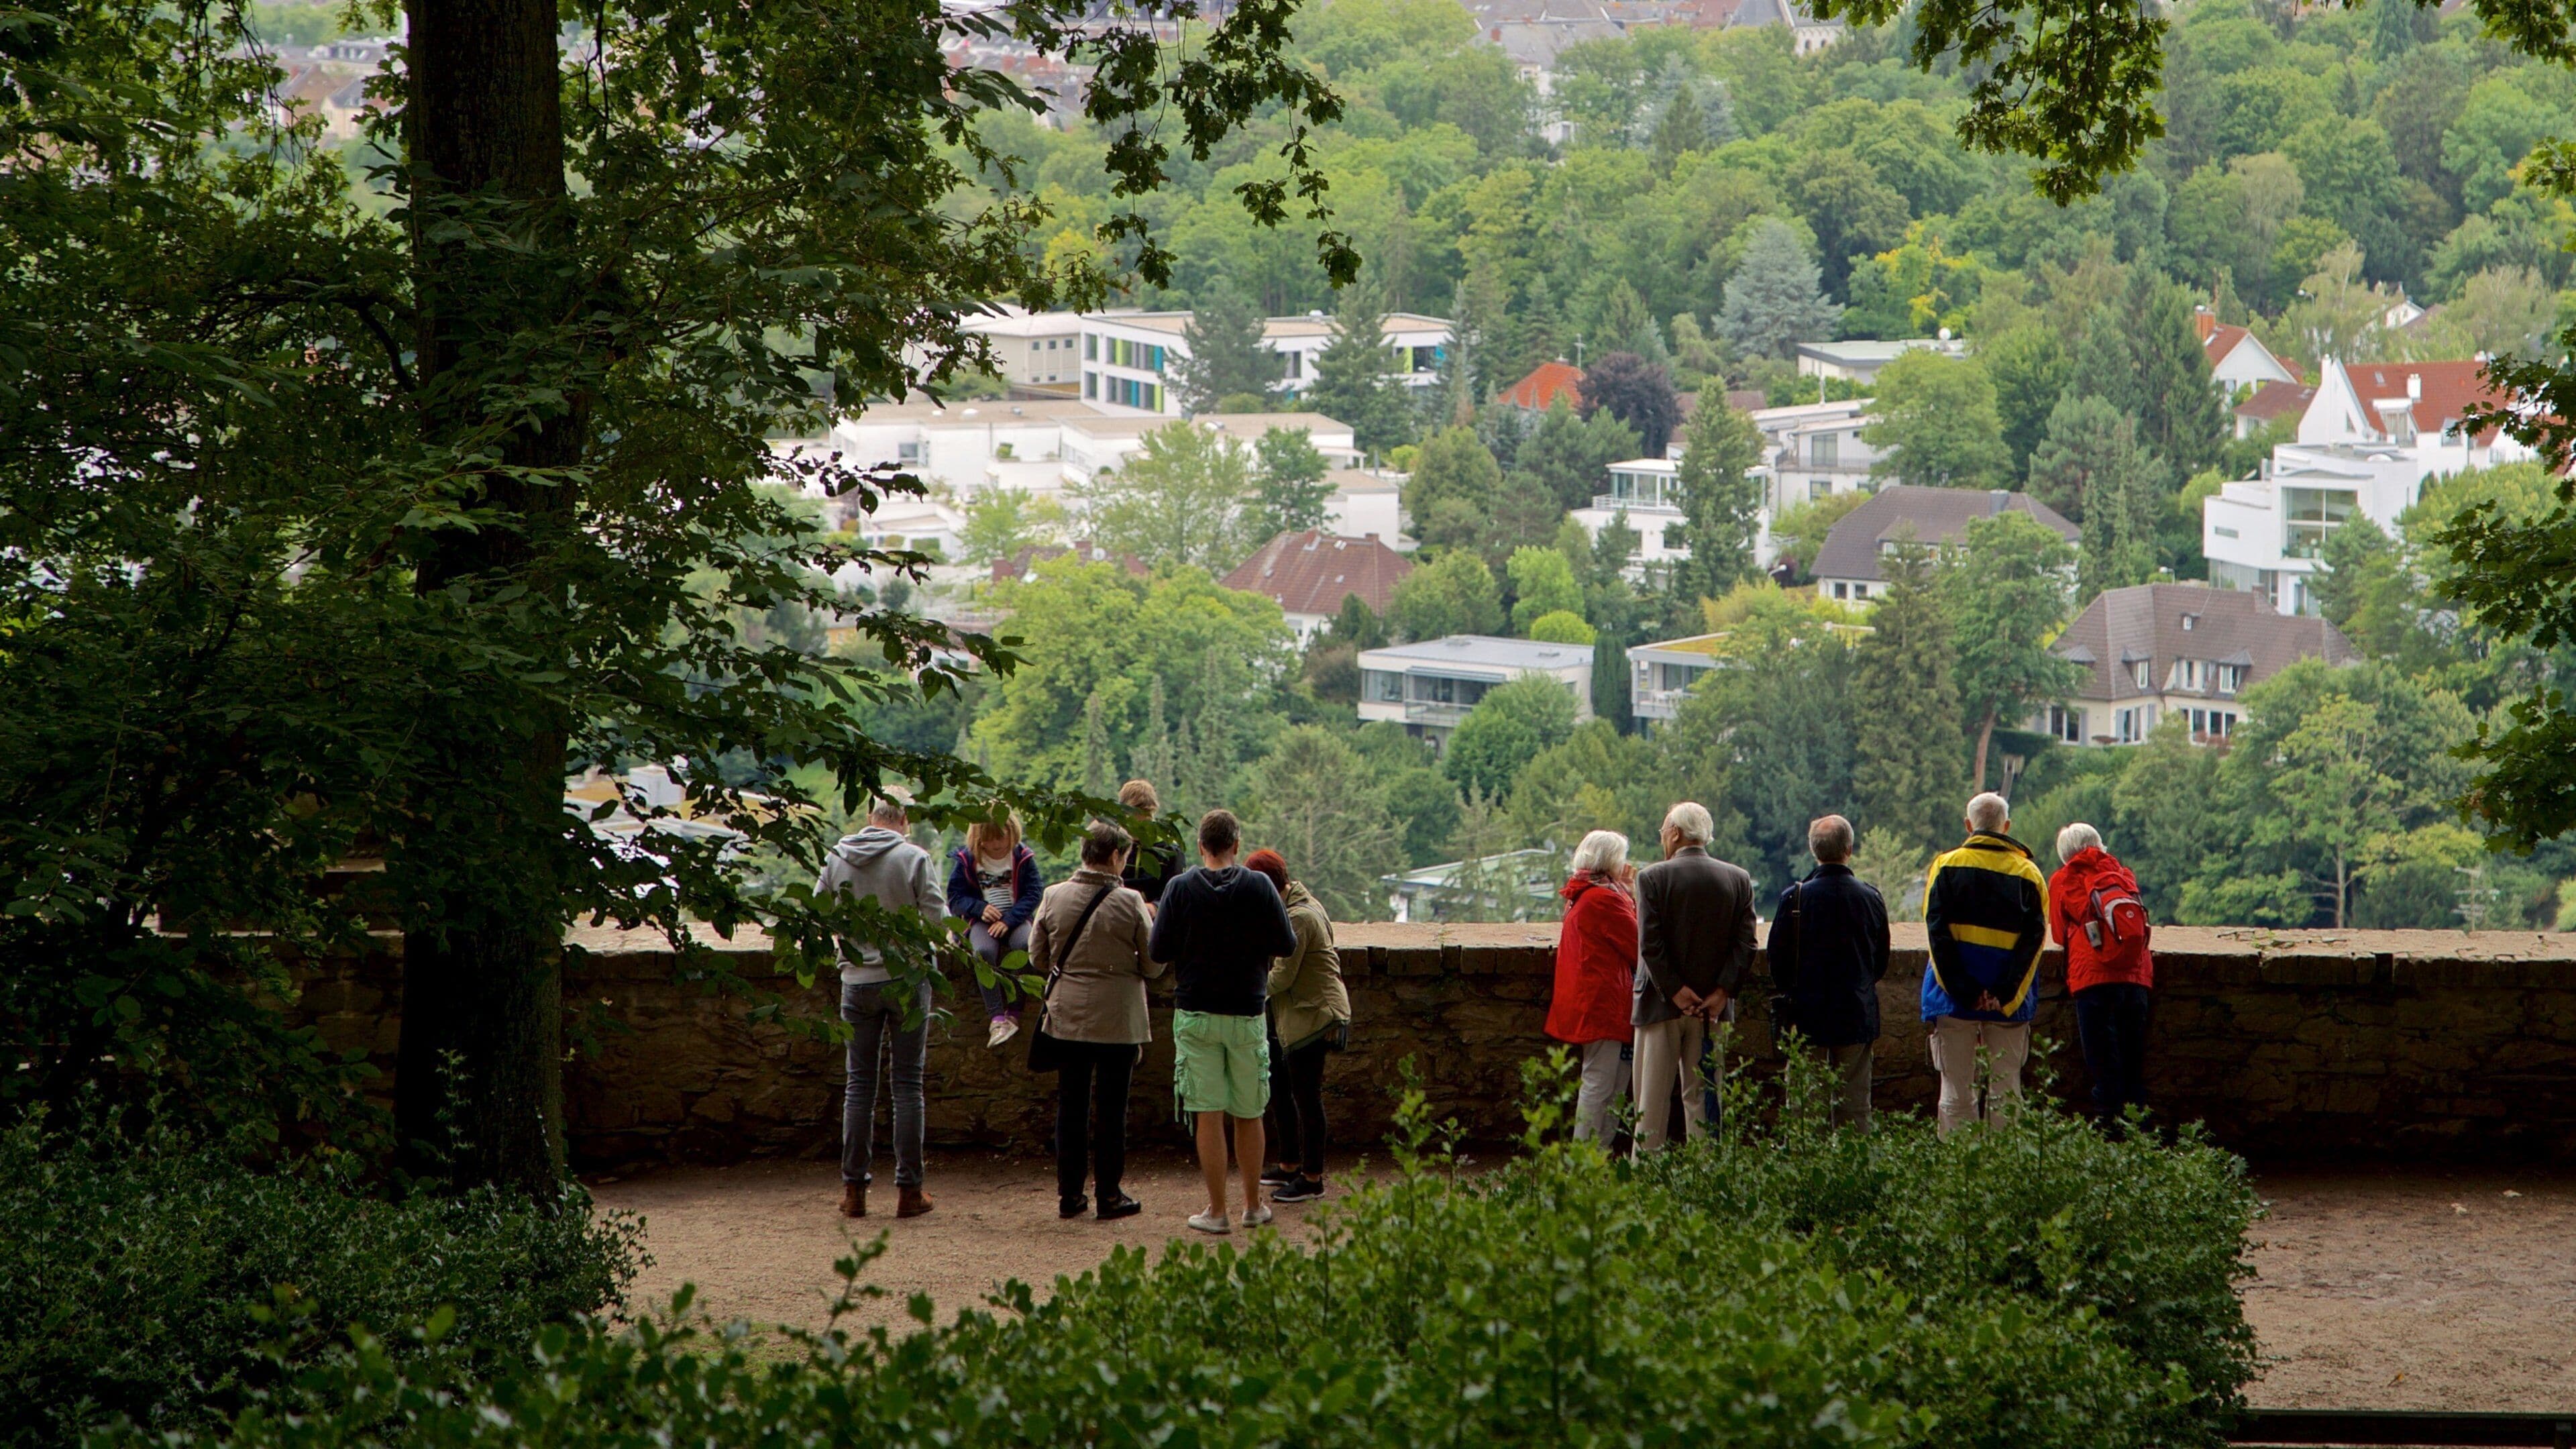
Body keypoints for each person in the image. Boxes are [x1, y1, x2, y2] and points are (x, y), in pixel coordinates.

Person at [1148, 808, 1297, 1234]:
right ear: (1236, 845)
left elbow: (1159, 951)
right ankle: (1253, 1205)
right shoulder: (1260, 886)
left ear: (1201, 847)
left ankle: (1216, 1211)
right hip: (1247, 1011)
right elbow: (1286, 943)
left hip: (1195, 1011)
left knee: (1208, 1114)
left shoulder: (1179, 889)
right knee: (1249, 1112)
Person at [815, 797, 944, 1220]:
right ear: (903, 821)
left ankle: (854, 1191)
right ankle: (909, 1192)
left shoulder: (838, 856)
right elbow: (938, 921)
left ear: (870, 819)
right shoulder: (913, 858)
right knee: (907, 1086)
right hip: (907, 979)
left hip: (857, 981)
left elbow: (820, 911)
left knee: (859, 1086)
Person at [1029, 819, 1161, 1220]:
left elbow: (1037, 957)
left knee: (1071, 1106)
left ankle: (1069, 1196)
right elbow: (1154, 966)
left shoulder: (1054, 896)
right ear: (1117, 856)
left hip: (1068, 1015)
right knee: (1111, 1108)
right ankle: (1109, 1194)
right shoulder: (1131, 902)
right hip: (1119, 1019)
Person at [1631, 802, 1759, 1152]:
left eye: (1663, 831)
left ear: (1674, 833)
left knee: (1651, 1105)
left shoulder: (1651, 878)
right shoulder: (1738, 878)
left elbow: (1650, 946)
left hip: (1660, 1006)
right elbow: (1746, 944)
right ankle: (1706, 1178)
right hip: (1713, 1010)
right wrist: (1722, 993)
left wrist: (1675, 991)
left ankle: (1647, 1179)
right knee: (1705, 1100)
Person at [1922, 792, 2049, 1136]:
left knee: (1955, 1092)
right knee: (2006, 1092)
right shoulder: (2029, 873)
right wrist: (2003, 993)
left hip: (1953, 1001)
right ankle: (2004, 1174)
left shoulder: (1946, 867)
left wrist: (1964, 992)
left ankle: (1958, 1168)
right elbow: (2033, 943)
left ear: (1969, 826)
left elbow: (1937, 937)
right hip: (2008, 1004)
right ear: (2006, 827)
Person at [1763, 814, 1890, 1132]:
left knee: (1806, 1107)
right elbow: (1881, 962)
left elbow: (1777, 961)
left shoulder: (1795, 898)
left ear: (1814, 851)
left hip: (1806, 1015)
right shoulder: (1871, 898)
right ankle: (1853, 1169)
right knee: (1856, 1106)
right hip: (1856, 1011)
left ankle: (1807, 1172)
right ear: (1849, 849)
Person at [1243, 849, 1348, 1204]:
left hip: (1314, 1016)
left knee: (1306, 1097)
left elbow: (1283, 977)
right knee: (1282, 1089)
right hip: (1297, 1014)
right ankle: (1289, 1165)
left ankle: (1312, 1178)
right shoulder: (1296, 907)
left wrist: (1246, 987)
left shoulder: (1300, 917)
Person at [2049, 822, 2155, 1135]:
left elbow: (2058, 934)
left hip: (2092, 980)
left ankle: (2108, 1137)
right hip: (2135, 977)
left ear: (2065, 854)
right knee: (2133, 1062)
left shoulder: (2063, 879)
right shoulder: (2124, 874)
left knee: (2103, 1064)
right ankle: (2142, 1139)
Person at [1547, 830, 1637, 1144]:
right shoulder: (1605, 898)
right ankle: (1587, 1154)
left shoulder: (1586, 893)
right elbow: (1639, 943)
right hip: (1605, 1004)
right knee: (1602, 1082)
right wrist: (1632, 895)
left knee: (1610, 1080)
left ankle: (1594, 1154)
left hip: (1598, 1001)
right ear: (1612, 861)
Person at [945, 812, 1044, 1048]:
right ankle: (996, 1016)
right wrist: (979, 908)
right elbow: (955, 897)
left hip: (1016, 918)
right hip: (981, 921)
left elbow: (1034, 893)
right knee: (983, 953)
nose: (998, 845)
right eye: (991, 840)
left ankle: (1015, 1010)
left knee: (1023, 946)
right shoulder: (967, 860)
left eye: (1002, 838)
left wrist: (1010, 920)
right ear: (979, 840)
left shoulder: (1022, 857)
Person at [1116, 779, 1185, 910]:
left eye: (1147, 819)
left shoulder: (1169, 850)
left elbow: (1177, 895)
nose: (1142, 829)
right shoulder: (1114, 846)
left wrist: (1154, 908)